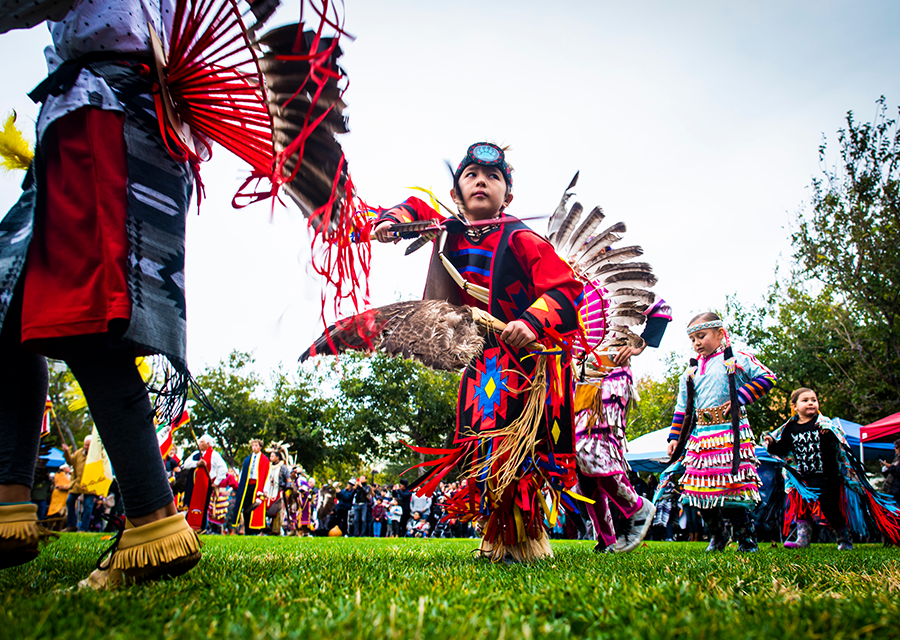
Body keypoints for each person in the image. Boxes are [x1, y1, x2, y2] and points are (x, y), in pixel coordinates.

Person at [0, 2, 201, 583]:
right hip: (105, 115)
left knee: (87, 319)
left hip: (107, 115)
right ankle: (9, 500)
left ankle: (152, 520)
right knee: (10, 306)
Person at [373, 143, 584, 563]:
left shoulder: (521, 237)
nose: (480, 181)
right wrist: (390, 222)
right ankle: (499, 539)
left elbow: (566, 289)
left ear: (508, 195)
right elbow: (415, 206)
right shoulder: (449, 228)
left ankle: (523, 544)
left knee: (517, 452)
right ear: (455, 194)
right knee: (486, 450)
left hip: (529, 360)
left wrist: (532, 321)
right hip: (483, 360)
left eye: (493, 177)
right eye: (470, 175)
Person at [661, 312, 776, 553]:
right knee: (699, 489)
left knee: (732, 489)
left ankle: (746, 539)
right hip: (701, 436)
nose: (697, 343)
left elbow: (767, 377)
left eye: (701, 336)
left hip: (730, 435)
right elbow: (682, 408)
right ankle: (718, 535)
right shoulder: (690, 372)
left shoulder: (735, 360)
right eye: (693, 339)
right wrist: (674, 437)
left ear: (720, 334)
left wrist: (739, 398)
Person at [575, 297, 671, 553]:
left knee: (590, 451)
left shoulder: (611, 285)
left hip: (611, 377)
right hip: (580, 384)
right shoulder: (568, 284)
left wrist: (640, 344)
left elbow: (662, 308)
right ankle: (606, 539)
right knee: (581, 466)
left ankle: (637, 507)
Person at [765, 389, 900, 550]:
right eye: (805, 400)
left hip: (827, 478)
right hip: (803, 479)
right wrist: (771, 444)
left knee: (830, 509)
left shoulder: (824, 424)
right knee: (802, 509)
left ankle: (844, 540)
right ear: (794, 406)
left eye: (814, 400)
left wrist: (828, 433)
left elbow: (839, 442)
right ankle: (803, 540)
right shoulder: (790, 428)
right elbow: (783, 449)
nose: (810, 403)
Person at [181, 434, 228, 532]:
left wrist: (216, 482)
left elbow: (223, 468)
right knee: (190, 504)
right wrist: (197, 464)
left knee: (204, 506)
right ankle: (189, 526)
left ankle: (202, 527)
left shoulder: (214, 455)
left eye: (201, 442)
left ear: (208, 443)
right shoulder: (196, 454)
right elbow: (186, 464)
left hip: (206, 485)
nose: (199, 444)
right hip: (193, 485)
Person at [231, 440, 270, 535]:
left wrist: (265, 489)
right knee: (246, 506)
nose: (254, 447)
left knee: (256, 507)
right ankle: (247, 529)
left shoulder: (264, 460)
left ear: (260, 447)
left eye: (256, 445)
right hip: (247, 485)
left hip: (258, 485)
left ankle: (255, 529)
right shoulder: (247, 459)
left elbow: (267, 475)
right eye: (253, 445)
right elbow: (243, 473)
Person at [61, 437, 96, 533]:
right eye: (85, 444)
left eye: (88, 445)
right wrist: (67, 452)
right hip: (77, 484)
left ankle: (84, 528)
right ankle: (71, 525)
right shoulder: (78, 453)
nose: (86, 447)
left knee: (87, 507)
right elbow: (70, 462)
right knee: (69, 501)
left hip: (90, 485)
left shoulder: (96, 455)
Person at [263, 450, 291, 535]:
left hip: (279, 491)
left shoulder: (283, 467)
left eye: (272, 456)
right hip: (269, 492)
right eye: (270, 456)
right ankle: (266, 529)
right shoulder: (269, 467)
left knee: (277, 510)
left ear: (277, 457)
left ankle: (276, 530)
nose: (270, 458)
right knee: (266, 509)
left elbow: (288, 479)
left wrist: (287, 491)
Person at [882, 440, 900, 546]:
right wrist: (885, 469)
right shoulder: (896, 459)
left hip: (898, 491)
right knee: (892, 516)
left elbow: (898, 471)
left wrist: (890, 466)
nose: (894, 449)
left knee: (896, 517)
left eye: (896, 447)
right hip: (893, 491)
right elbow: (892, 476)